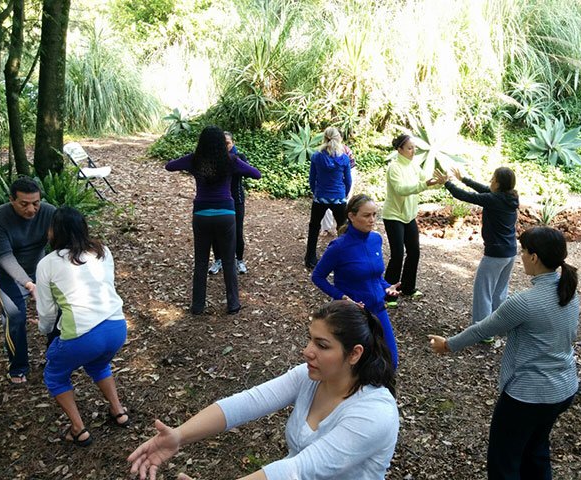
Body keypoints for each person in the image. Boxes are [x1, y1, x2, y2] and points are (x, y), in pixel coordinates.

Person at [128, 300, 399, 480]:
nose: (307, 351)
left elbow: (298, 469)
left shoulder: (373, 413)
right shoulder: (311, 377)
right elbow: (249, 402)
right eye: (309, 340)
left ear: (355, 354)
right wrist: (179, 435)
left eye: (322, 345)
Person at [428, 227, 579, 479]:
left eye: (524, 251)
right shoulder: (569, 292)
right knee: (536, 451)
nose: (521, 256)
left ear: (534, 257)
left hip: (528, 396)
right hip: (563, 389)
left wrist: (447, 344)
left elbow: (482, 329)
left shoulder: (525, 302)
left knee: (504, 461)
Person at [36, 207, 128, 447]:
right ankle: (118, 411)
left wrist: (46, 331)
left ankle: (78, 429)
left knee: (55, 376)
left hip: (83, 335)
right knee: (98, 364)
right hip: (117, 327)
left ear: (55, 231)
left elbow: (46, 312)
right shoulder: (102, 251)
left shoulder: (48, 263)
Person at [166, 126, 261, 315]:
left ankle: (197, 306)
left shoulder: (194, 159)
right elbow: (256, 174)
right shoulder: (231, 160)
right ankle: (233, 304)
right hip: (226, 214)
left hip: (201, 215)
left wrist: (186, 160)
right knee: (229, 261)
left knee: (201, 262)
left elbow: (169, 166)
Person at [312, 194, 401, 367]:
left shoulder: (376, 239)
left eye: (374, 214)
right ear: (352, 216)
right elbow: (317, 276)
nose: (372, 220)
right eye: (366, 215)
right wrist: (342, 297)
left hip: (378, 309)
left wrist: (386, 287)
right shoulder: (339, 246)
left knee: (391, 361)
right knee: (356, 364)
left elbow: (375, 275)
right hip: (353, 315)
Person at [434, 167, 519, 342]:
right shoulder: (510, 197)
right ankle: (500, 325)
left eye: (493, 178)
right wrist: (464, 179)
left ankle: (483, 332)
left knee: (483, 291)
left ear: (498, 184)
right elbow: (484, 190)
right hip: (510, 252)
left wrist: (447, 183)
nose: (490, 181)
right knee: (500, 292)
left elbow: (465, 196)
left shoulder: (493, 200)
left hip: (495, 253)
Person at [0, 177, 55, 385]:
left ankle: (55, 359)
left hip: (39, 269)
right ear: (12, 200)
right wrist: (28, 284)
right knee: (15, 316)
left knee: (57, 310)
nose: (31, 209)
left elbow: (62, 242)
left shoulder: (49, 212)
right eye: (24, 204)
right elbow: (4, 257)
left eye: (35, 203)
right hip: (6, 274)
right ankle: (18, 366)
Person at [382, 134, 435, 308]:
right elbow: (400, 189)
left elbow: (425, 180)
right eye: (410, 148)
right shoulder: (394, 167)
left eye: (414, 148)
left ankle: (408, 288)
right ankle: (389, 294)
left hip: (409, 216)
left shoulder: (413, 165)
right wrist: (424, 185)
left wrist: (440, 181)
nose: (413, 151)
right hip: (393, 216)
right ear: (400, 150)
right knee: (397, 254)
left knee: (414, 252)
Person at [305, 127, 352, 269]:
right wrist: (344, 194)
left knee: (314, 226)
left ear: (324, 138)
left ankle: (310, 258)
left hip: (320, 197)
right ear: (339, 138)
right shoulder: (344, 158)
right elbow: (348, 180)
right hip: (338, 197)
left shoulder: (316, 156)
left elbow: (312, 178)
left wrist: (316, 192)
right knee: (342, 227)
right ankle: (344, 257)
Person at [208, 131, 253, 275]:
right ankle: (218, 259)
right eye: (222, 143)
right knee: (216, 231)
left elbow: (251, 173)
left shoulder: (239, 157)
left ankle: (239, 260)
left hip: (236, 199)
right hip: (218, 200)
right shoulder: (214, 158)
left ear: (233, 143)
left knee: (237, 231)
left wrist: (234, 162)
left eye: (227, 143)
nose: (225, 146)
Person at [320, 144, 357, 236]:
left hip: (342, 179)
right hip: (332, 182)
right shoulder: (324, 150)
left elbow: (351, 170)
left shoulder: (346, 150)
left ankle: (343, 230)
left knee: (344, 205)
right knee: (326, 205)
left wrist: (347, 191)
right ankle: (327, 228)